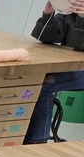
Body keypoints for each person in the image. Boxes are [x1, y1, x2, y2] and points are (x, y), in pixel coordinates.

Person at [24, 1, 84, 144]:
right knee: (30, 77)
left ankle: (36, 142)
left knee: (46, 85)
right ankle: (17, 134)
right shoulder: (70, 13)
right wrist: (48, 13)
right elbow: (47, 38)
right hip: (71, 67)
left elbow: (79, 46)